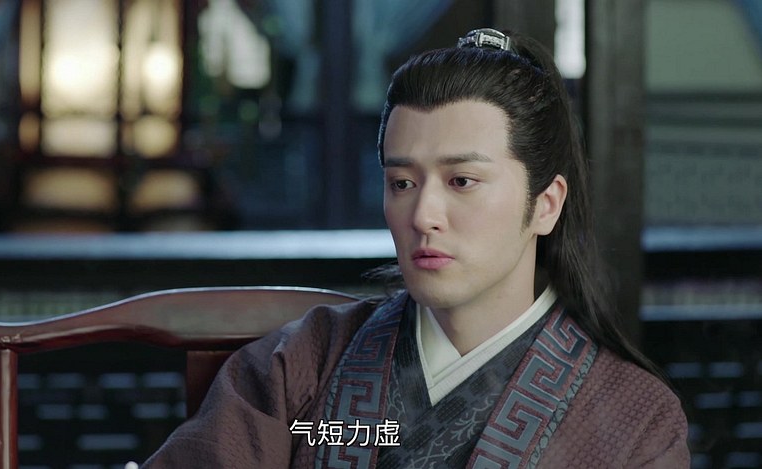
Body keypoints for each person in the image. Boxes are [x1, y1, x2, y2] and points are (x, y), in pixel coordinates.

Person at [143, 28, 690, 468]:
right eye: (402, 183)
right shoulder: (303, 365)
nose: (423, 215)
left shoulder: (634, 419)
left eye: (462, 181)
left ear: (546, 204)